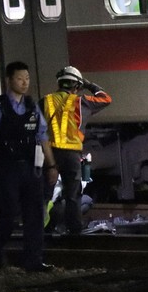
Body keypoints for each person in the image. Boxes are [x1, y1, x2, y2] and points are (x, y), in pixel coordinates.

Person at [0, 61, 58, 270]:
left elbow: (43, 137)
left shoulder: (32, 107)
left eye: (27, 79)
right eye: (20, 78)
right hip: (7, 167)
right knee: (8, 211)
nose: (25, 83)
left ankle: (34, 260)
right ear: (9, 80)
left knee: (35, 215)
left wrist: (51, 166)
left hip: (31, 168)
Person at [42, 66, 111, 235]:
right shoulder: (82, 102)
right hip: (71, 154)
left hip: (49, 154)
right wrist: (89, 84)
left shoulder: (46, 100)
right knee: (73, 195)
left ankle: (42, 230)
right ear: (77, 86)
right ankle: (74, 231)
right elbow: (105, 98)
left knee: (45, 194)